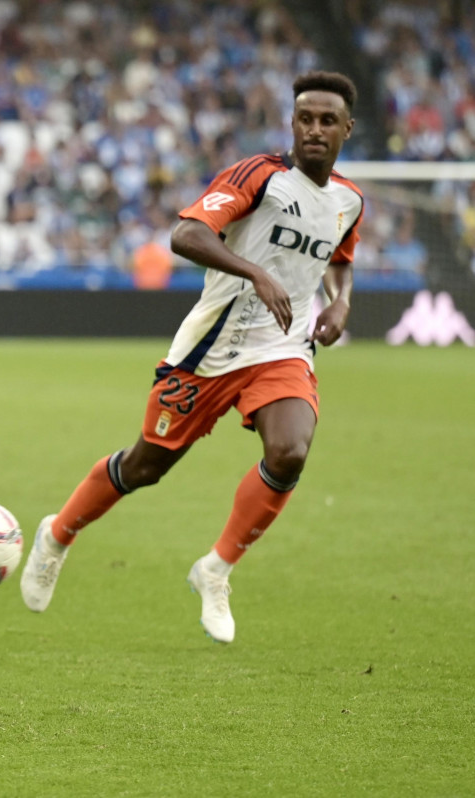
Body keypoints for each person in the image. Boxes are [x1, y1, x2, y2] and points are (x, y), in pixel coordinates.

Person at [19, 71, 364, 644]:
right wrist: (256, 271)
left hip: (281, 349)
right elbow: (185, 234)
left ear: (347, 129)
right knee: (144, 467)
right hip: (210, 351)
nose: (314, 130)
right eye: (305, 118)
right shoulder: (259, 176)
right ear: (292, 123)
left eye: (328, 121)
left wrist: (341, 302)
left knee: (290, 451)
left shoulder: (349, 200)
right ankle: (58, 534)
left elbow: (341, 258)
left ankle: (216, 569)